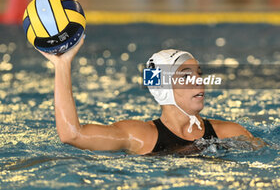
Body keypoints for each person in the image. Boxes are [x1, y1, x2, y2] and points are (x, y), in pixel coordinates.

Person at [40, 38, 265, 155]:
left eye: (199, 73)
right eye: (186, 76)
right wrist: (62, 64)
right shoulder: (139, 137)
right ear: (164, 86)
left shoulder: (231, 133)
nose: (199, 81)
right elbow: (72, 135)